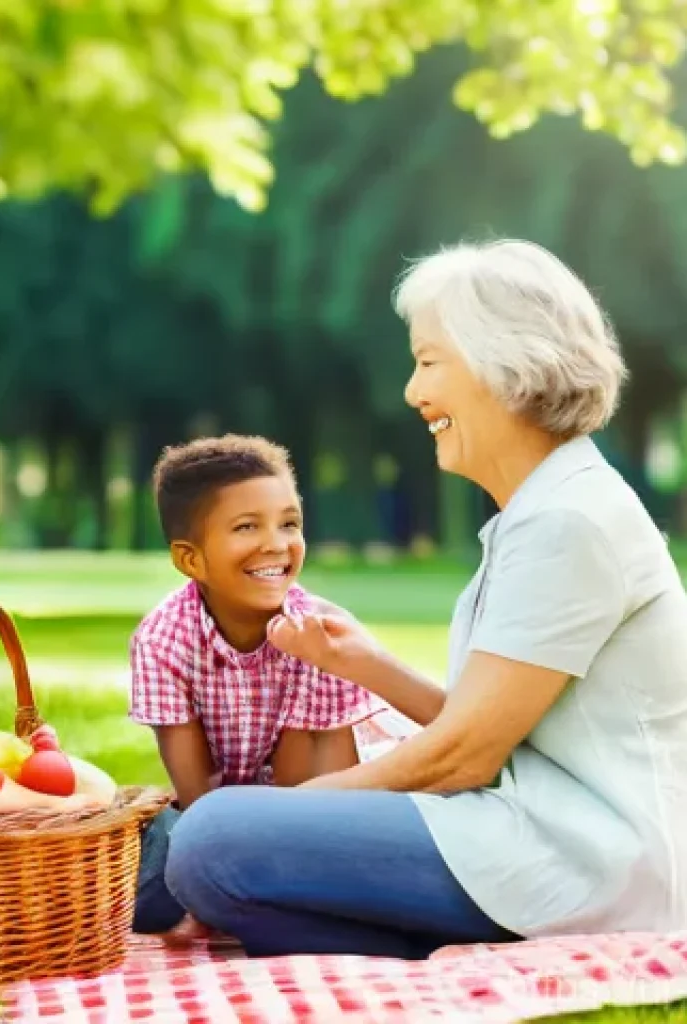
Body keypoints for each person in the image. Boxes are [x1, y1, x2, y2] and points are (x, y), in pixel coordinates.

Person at [164, 239, 687, 959]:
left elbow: (465, 758)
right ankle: (388, 935)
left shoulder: (569, 522)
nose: (413, 392)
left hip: (581, 866)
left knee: (211, 841)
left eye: (429, 362)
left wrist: (302, 806)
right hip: (538, 837)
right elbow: (494, 735)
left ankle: (389, 937)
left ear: (506, 364)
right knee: (206, 850)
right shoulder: (545, 511)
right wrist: (370, 665)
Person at [129, 435, 384, 939]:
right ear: (190, 559)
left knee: (309, 868)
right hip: (220, 814)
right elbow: (193, 795)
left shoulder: (322, 634)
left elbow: (308, 799)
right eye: (247, 526)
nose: (276, 543)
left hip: (326, 804)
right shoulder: (161, 640)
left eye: (289, 523)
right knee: (154, 883)